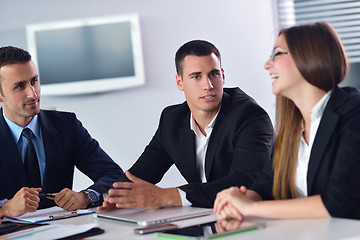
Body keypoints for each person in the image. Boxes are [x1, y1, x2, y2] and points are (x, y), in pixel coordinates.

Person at [98, 40, 273, 211]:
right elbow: (138, 175)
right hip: (203, 219)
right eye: (196, 76)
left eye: (214, 74)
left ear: (223, 76)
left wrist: (167, 196)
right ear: (179, 82)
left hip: (255, 218)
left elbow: (244, 181)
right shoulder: (172, 120)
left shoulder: (250, 116)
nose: (208, 85)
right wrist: (111, 198)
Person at [214, 22, 360, 220]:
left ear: (307, 55)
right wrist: (237, 201)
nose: (267, 65)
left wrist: (249, 208)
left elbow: (337, 204)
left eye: (277, 54)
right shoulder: (292, 127)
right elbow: (265, 186)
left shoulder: (353, 111)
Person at [0, 46, 123, 218]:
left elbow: (114, 176)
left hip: (63, 228)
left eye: (34, 81)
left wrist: (86, 197)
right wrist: (5, 210)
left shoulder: (66, 125)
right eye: (20, 86)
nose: (32, 93)